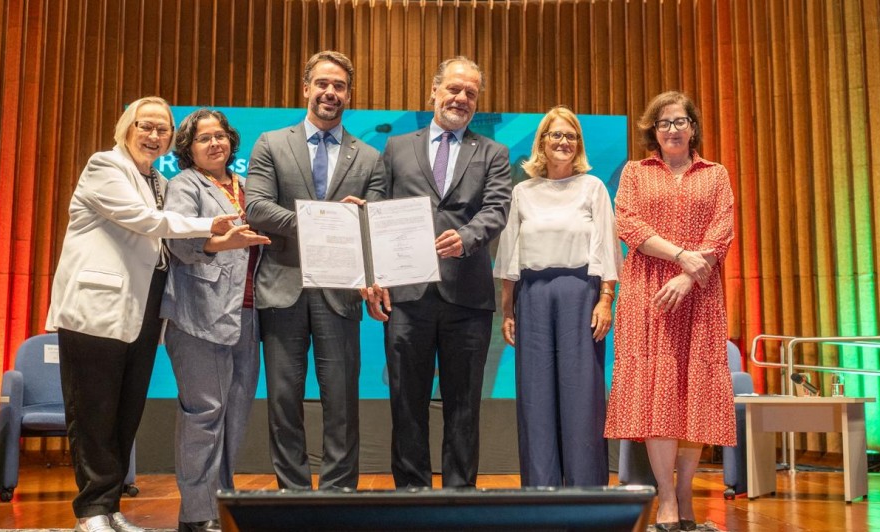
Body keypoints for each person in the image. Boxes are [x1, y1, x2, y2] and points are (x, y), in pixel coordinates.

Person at [46, 96, 242, 532]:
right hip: (95, 311)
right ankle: (91, 511)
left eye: (162, 129)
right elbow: (144, 221)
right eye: (145, 126)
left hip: (140, 313)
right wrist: (211, 226)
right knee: (94, 413)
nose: (153, 136)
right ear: (126, 128)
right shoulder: (105, 166)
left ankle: (110, 507)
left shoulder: (153, 178)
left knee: (124, 413)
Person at [364, 56, 512, 488]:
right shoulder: (396, 149)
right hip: (406, 297)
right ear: (434, 91)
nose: (461, 98)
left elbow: (497, 208)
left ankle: (460, 498)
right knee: (405, 403)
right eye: (454, 89)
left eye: (470, 93)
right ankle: (410, 497)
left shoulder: (494, 153)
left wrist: (467, 237)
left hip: (468, 300)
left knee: (464, 407)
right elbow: (378, 211)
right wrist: (372, 270)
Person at [245, 50, 386, 490]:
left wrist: (359, 219)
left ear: (349, 94)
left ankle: (339, 496)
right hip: (281, 289)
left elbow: (376, 223)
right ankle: (292, 496)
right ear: (306, 88)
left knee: (342, 403)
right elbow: (256, 209)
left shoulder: (369, 157)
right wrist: (324, 220)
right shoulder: (271, 143)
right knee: (284, 402)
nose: (330, 92)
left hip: (340, 294)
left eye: (339, 86)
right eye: (322, 84)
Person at [604, 91, 735, 532]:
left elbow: (722, 231)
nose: (673, 129)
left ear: (693, 127)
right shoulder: (635, 173)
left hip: (699, 294)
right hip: (649, 295)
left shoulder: (716, 175)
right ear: (653, 132)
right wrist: (681, 257)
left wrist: (689, 273)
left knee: (693, 392)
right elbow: (629, 223)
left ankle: (685, 494)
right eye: (664, 123)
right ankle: (665, 499)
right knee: (660, 393)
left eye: (680, 121)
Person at [493, 106, 622, 487]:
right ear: (542, 142)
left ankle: (585, 491)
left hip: (580, 296)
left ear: (578, 144)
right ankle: (540, 491)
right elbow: (510, 254)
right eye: (556, 135)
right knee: (536, 398)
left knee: (582, 397)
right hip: (531, 297)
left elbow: (606, 247)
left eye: (571, 136)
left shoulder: (593, 188)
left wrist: (605, 300)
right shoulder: (523, 191)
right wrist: (507, 310)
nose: (564, 142)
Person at [160, 109, 270, 532]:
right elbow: (179, 243)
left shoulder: (245, 186)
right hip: (198, 315)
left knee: (235, 416)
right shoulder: (184, 184)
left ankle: (217, 505)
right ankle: (197, 514)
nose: (214, 143)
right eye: (203, 138)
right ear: (188, 148)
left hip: (247, 314)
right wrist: (221, 241)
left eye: (220, 136)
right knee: (204, 414)